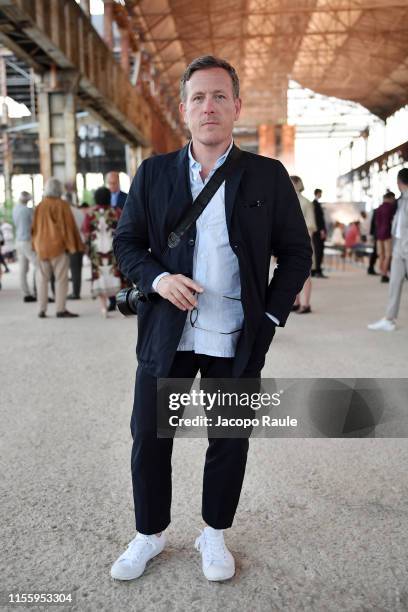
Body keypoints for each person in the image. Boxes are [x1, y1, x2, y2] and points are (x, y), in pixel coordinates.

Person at [111, 55, 312, 583]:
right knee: (151, 437)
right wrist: (157, 279)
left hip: (237, 338)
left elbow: (296, 253)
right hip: (167, 337)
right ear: (183, 110)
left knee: (229, 439)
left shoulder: (266, 176)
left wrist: (268, 315)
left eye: (220, 96)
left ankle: (213, 534)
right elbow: (127, 242)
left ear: (236, 106)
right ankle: (149, 534)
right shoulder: (154, 174)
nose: (209, 107)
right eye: (198, 98)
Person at [32, 177, 84, 318]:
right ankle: (60, 309)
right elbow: (68, 228)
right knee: (61, 279)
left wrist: (35, 245)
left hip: (41, 247)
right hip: (58, 248)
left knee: (42, 279)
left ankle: (41, 309)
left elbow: (34, 228)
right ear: (60, 189)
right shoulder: (62, 205)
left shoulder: (40, 206)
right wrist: (73, 246)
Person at [368, 168, 408, 331]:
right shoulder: (400, 200)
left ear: (399, 182)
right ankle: (389, 319)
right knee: (394, 282)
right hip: (398, 246)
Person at [83, 186, 121, 317]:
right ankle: (120, 306)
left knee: (99, 276)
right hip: (113, 248)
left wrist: (87, 250)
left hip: (97, 249)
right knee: (116, 275)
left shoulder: (90, 214)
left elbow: (86, 232)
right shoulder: (116, 212)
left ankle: (104, 308)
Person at [290, 175, 316, 314]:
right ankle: (295, 302)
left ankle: (306, 304)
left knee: (305, 274)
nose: (292, 184)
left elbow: (311, 224)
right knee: (291, 272)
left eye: (294, 182)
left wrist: (306, 244)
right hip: (289, 241)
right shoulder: (286, 200)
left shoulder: (306, 202)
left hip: (302, 240)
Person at [12, 191, 37, 302]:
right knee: (39, 265)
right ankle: (38, 291)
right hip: (27, 240)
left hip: (18, 241)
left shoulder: (15, 209)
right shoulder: (28, 210)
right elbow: (34, 224)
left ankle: (26, 293)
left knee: (23, 269)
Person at [374, 192, 397, 283]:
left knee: (381, 255)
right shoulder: (391, 208)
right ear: (391, 198)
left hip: (379, 234)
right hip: (387, 234)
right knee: (388, 255)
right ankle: (384, 274)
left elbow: (376, 223)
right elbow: (393, 222)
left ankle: (382, 272)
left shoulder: (378, 208)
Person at [67, 202, 86, 300]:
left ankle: (74, 293)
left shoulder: (66, 212)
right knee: (77, 269)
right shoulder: (80, 212)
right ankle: (76, 292)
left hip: (71, 243)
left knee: (72, 269)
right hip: (81, 242)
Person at [311, 188, 327, 278]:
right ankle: (317, 270)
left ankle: (316, 270)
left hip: (317, 231)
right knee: (318, 251)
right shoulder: (315, 204)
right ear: (317, 193)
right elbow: (318, 219)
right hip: (318, 232)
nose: (321, 195)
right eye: (320, 193)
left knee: (317, 251)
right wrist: (321, 230)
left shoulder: (316, 204)